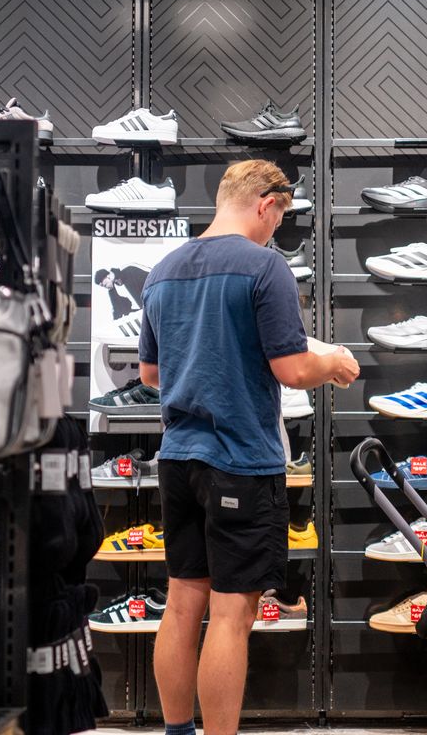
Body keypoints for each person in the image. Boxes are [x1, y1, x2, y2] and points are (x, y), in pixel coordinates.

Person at [136, 159, 360, 735]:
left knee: (183, 602)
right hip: (240, 459)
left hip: (178, 458)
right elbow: (290, 369)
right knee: (232, 615)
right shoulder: (266, 268)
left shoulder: (162, 270)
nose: (275, 231)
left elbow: (151, 376)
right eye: (278, 218)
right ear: (266, 203)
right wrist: (331, 363)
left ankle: (177, 732)